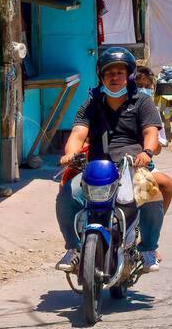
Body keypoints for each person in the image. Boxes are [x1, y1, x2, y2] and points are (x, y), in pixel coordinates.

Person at [56, 47, 164, 274]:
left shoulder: (142, 102)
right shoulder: (91, 104)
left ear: (129, 76)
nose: (114, 77)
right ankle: (74, 250)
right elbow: (77, 134)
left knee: (150, 192)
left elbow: (151, 133)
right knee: (67, 195)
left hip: (132, 165)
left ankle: (147, 249)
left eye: (120, 73)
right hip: (96, 168)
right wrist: (70, 154)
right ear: (101, 77)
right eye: (109, 73)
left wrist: (147, 152)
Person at [133, 65, 172, 213]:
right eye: (139, 86)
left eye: (147, 86)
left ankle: (153, 226)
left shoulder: (152, 111)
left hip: (143, 164)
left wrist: (149, 145)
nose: (144, 89)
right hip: (120, 163)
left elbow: (157, 149)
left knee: (166, 185)